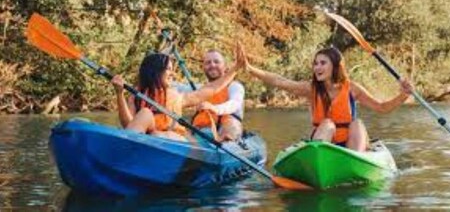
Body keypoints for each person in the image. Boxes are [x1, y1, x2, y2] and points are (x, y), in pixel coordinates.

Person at [240, 45, 413, 152]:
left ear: (335, 66)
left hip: (350, 145)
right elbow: (280, 81)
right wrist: (249, 68)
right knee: (327, 124)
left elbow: (382, 108)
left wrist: (403, 95)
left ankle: (357, 161)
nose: (317, 67)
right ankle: (319, 156)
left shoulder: (352, 88)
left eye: (323, 63)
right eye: (315, 63)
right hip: (324, 144)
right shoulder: (311, 88)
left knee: (357, 123)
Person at [111, 47, 245, 142]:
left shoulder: (178, 96)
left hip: (175, 140)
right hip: (146, 137)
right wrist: (119, 94)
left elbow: (212, 88)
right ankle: (124, 152)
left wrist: (235, 68)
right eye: (168, 69)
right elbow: (128, 125)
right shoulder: (137, 96)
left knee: (156, 134)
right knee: (145, 113)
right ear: (156, 71)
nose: (172, 74)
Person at [190, 49, 245, 142]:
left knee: (231, 124)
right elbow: (176, 88)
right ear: (203, 67)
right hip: (204, 129)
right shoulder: (199, 89)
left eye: (216, 62)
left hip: (227, 126)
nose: (212, 65)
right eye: (208, 63)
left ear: (224, 66)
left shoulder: (235, 86)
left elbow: (234, 103)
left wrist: (215, 108)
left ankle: (226, 142)